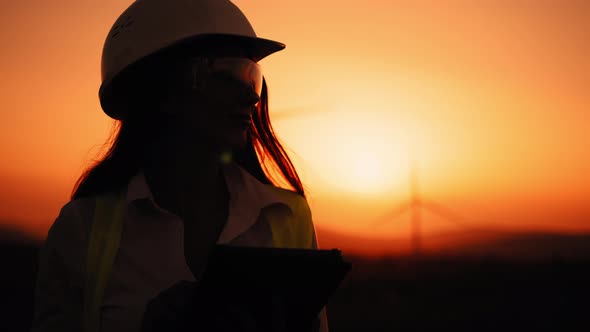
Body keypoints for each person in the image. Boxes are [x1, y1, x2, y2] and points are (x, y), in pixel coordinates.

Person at [31, 0, 328, 331]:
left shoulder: (287, 217)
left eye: (251, 76)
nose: (252, 97)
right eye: (227, 74)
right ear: (160, 90)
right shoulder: (81, 231)